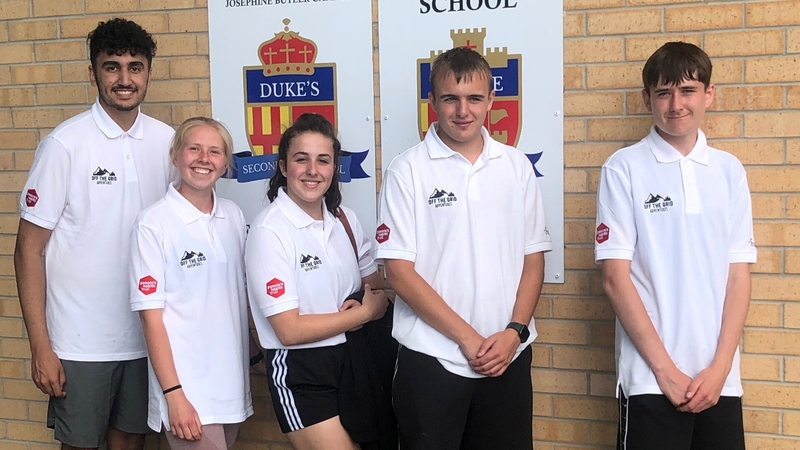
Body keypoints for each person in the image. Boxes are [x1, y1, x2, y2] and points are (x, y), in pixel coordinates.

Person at [376, 47, 552, 449]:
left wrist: (514, 332)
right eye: (450, 98)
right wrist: (470, 340)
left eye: (474, 98)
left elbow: (533, 258)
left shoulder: (515, 165)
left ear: (491, 101)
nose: (463, 110)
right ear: (432, 102)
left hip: (507, 355)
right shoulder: (407, 171)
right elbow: (399, 272)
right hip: (432, 358)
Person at [13, 18, 174, 450]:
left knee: (131, 443)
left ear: (149, 73)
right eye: (112, 67)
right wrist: (41, 347)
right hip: (79, 342)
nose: (124, 79)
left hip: (145, 338)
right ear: (93, 73)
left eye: (135, 67)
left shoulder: (168, 143)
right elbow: (28, 249)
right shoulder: (64, 145)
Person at [595, 42, 756, 450]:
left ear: (709, 94)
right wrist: (665, 371)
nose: (676, 104)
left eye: (687, 90)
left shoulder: (728, 171)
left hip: (719, 381)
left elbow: (738, 278)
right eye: (664, 93)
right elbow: (615, 279)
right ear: (647, 98)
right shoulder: (624, 168)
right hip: (652, 380)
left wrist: (720, 368)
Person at [245, 113, 389, 450]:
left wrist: (371, 304)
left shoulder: (345, 220)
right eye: (301, 159)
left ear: (334, 167)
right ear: (283, 167)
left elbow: (376, 291)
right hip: (301, 370)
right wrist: (361, 314)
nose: (313, 170)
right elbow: (289, 330)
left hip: (355, 360)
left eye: (323, 160)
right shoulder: (270, 231)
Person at [129, 118, 253, 449]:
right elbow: (149, 317)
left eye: (215, 151)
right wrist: (174, 395)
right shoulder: (153, 224)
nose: (203, 159)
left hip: (230, 387)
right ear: (175, 155)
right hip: (188, 393)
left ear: (225, 163)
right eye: (194, 148)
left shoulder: (234, 216)